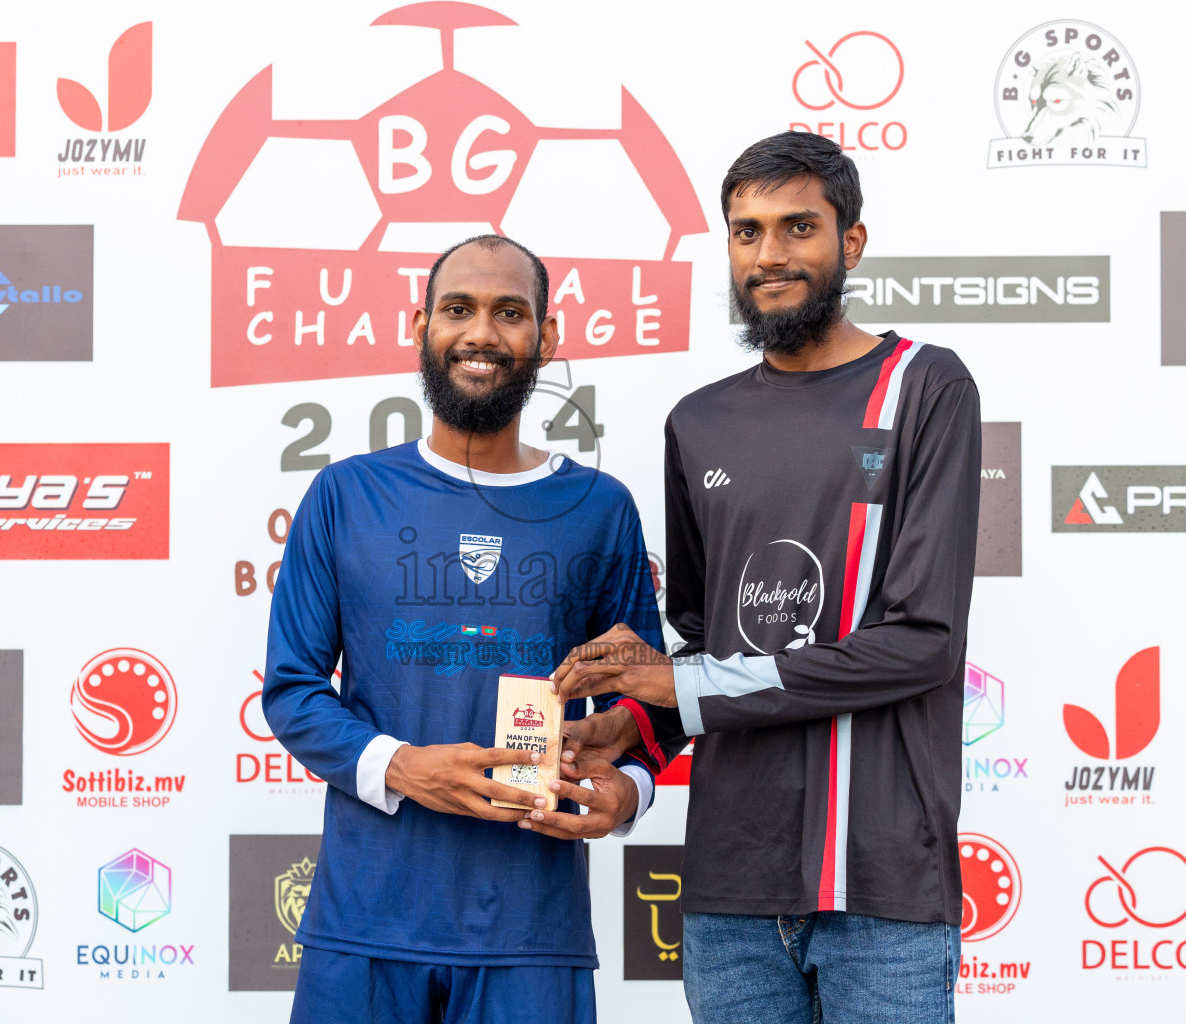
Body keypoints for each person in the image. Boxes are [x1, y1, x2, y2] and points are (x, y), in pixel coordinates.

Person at [555, 132, 981, 1023]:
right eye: (746, 232)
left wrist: (680, 681)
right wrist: (634, 726)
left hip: (883, 884)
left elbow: (921, 645)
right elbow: (710, 648)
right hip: (729, 893)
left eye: (798, 227)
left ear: (850, 242)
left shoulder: (924, 387)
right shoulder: (698, 422)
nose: (770, 255)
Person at [263, 234, 669, 1024]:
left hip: (530, 933)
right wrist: (405, 766)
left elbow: (649, 700)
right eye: (459, 309)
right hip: (366, 925)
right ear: (422, 327)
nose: (482, 333)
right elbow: (293, 691)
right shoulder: (346, 494)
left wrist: (633, 790)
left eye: (509, 312)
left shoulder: (599, 507)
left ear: (546, 339)